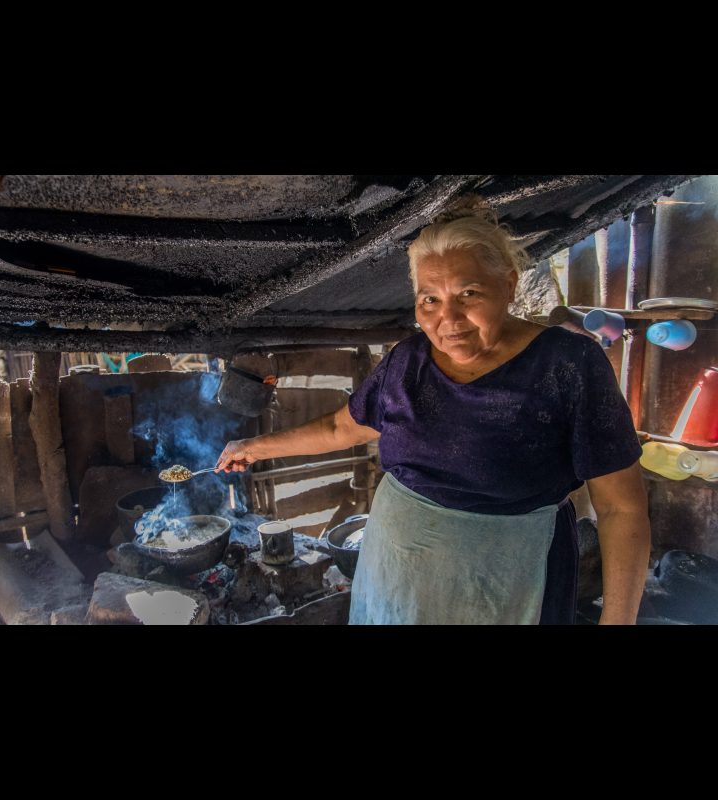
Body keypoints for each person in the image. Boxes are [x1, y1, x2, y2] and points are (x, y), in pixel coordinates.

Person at [215, 200, 651, 625]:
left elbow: (621, 509)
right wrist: (253, 446)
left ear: (510, 284)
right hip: (399, 569)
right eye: (430, 300)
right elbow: (339, 427)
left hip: (508, 579)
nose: (449, 319)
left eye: (469, 293)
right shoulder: (407, 362)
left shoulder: (568, 364)